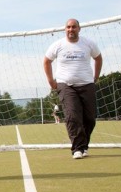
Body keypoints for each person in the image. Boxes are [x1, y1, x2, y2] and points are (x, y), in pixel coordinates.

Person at [43, 18, 103, 160]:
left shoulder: (88, 44)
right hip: (66, 85)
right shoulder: (58, 45)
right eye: (68, 27)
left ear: (79, 29)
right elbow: (46, 61)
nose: (71, 30)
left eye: (74, 27)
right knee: (72, 116)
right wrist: (51, 81)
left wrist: (96, 77)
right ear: (65, 29)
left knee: (90, 118)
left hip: (87, 84)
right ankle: (76, 148)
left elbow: (98, 58)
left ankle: (84, 146)